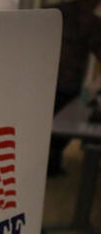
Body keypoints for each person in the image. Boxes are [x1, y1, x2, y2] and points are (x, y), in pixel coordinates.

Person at [48, 0, 101, 177]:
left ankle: (51, 163)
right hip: (65, 81)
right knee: (60, 128)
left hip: (55, 80)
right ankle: (51, 163)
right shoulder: (90, 22)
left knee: (55, 127)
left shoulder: (58, 11)